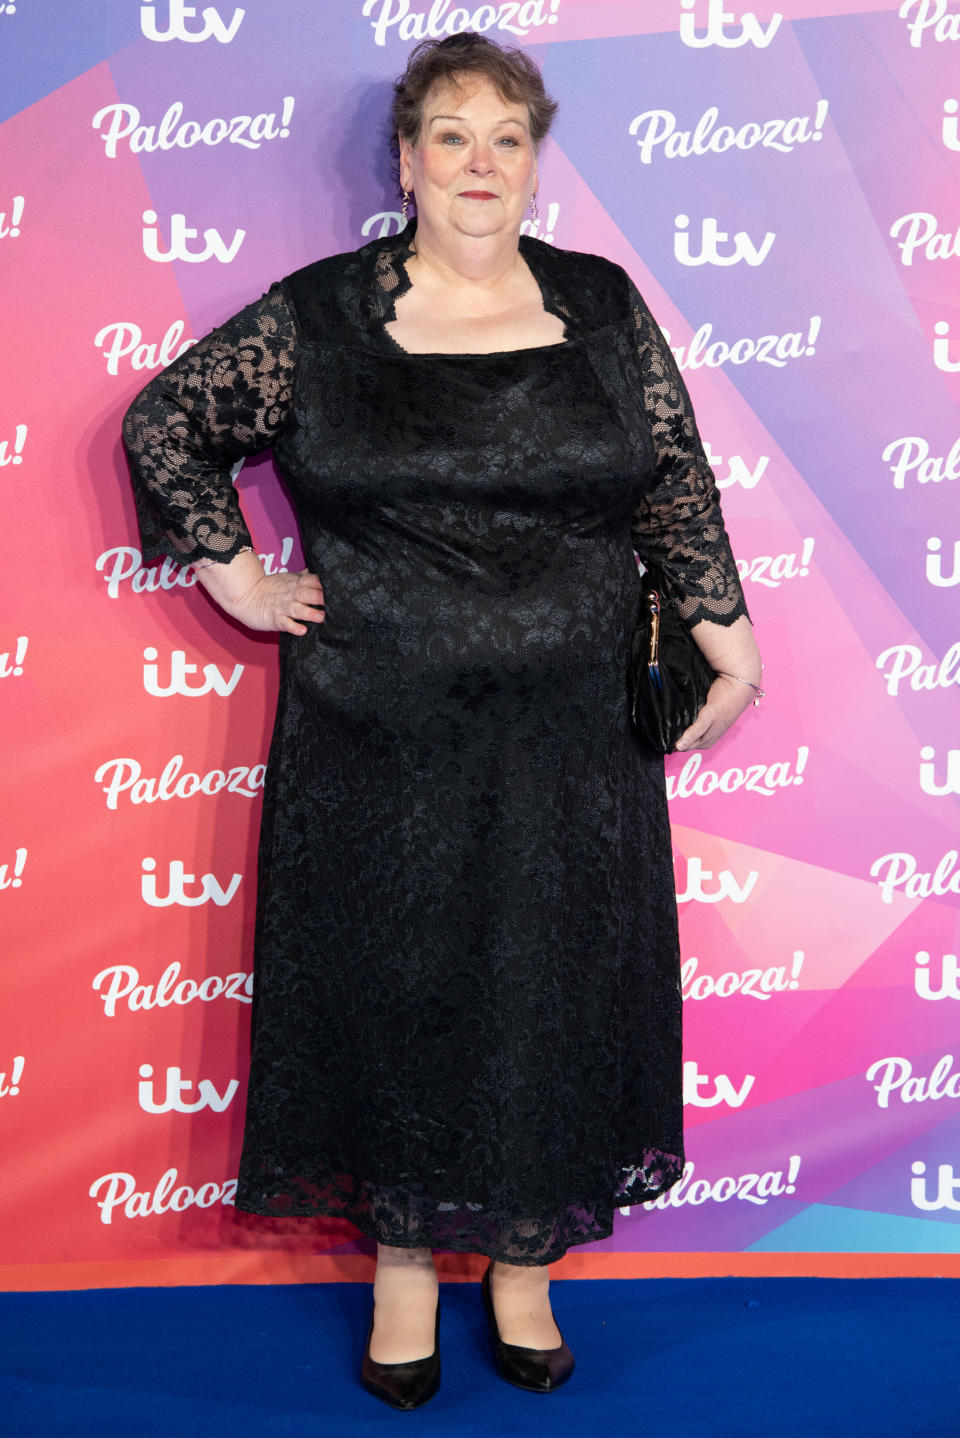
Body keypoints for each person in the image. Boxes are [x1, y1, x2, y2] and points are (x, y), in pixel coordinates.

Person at [122, 32, 762, 1412]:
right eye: (452, 136)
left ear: (537, 165)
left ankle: (523, 1266)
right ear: (405, 161)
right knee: (398, 981)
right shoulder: (321, 317)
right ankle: (405, 1268)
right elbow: (168, 422)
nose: (481, 162)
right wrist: (233, 570)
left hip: (575, 733)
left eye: (508, 138)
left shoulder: (599, 307)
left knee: (555, 981)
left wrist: (729, 636)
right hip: (378, 728)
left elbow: (671, 481)